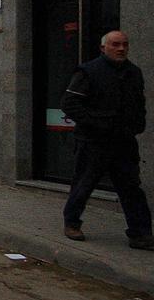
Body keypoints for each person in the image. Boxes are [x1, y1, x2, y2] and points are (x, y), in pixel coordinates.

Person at [61, 31, 153, 249]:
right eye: (115, 44)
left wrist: (138, 125)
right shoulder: (89, 71)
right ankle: (72, 222)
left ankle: (140, 233)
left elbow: (139, 104)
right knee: (84, 184)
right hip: (93, 141)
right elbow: (70, 104)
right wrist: (96, 123)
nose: (121, 48)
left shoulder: (133, 73)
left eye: (124, 44)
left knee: (131, 188)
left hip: (124, 141)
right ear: (104, 48)